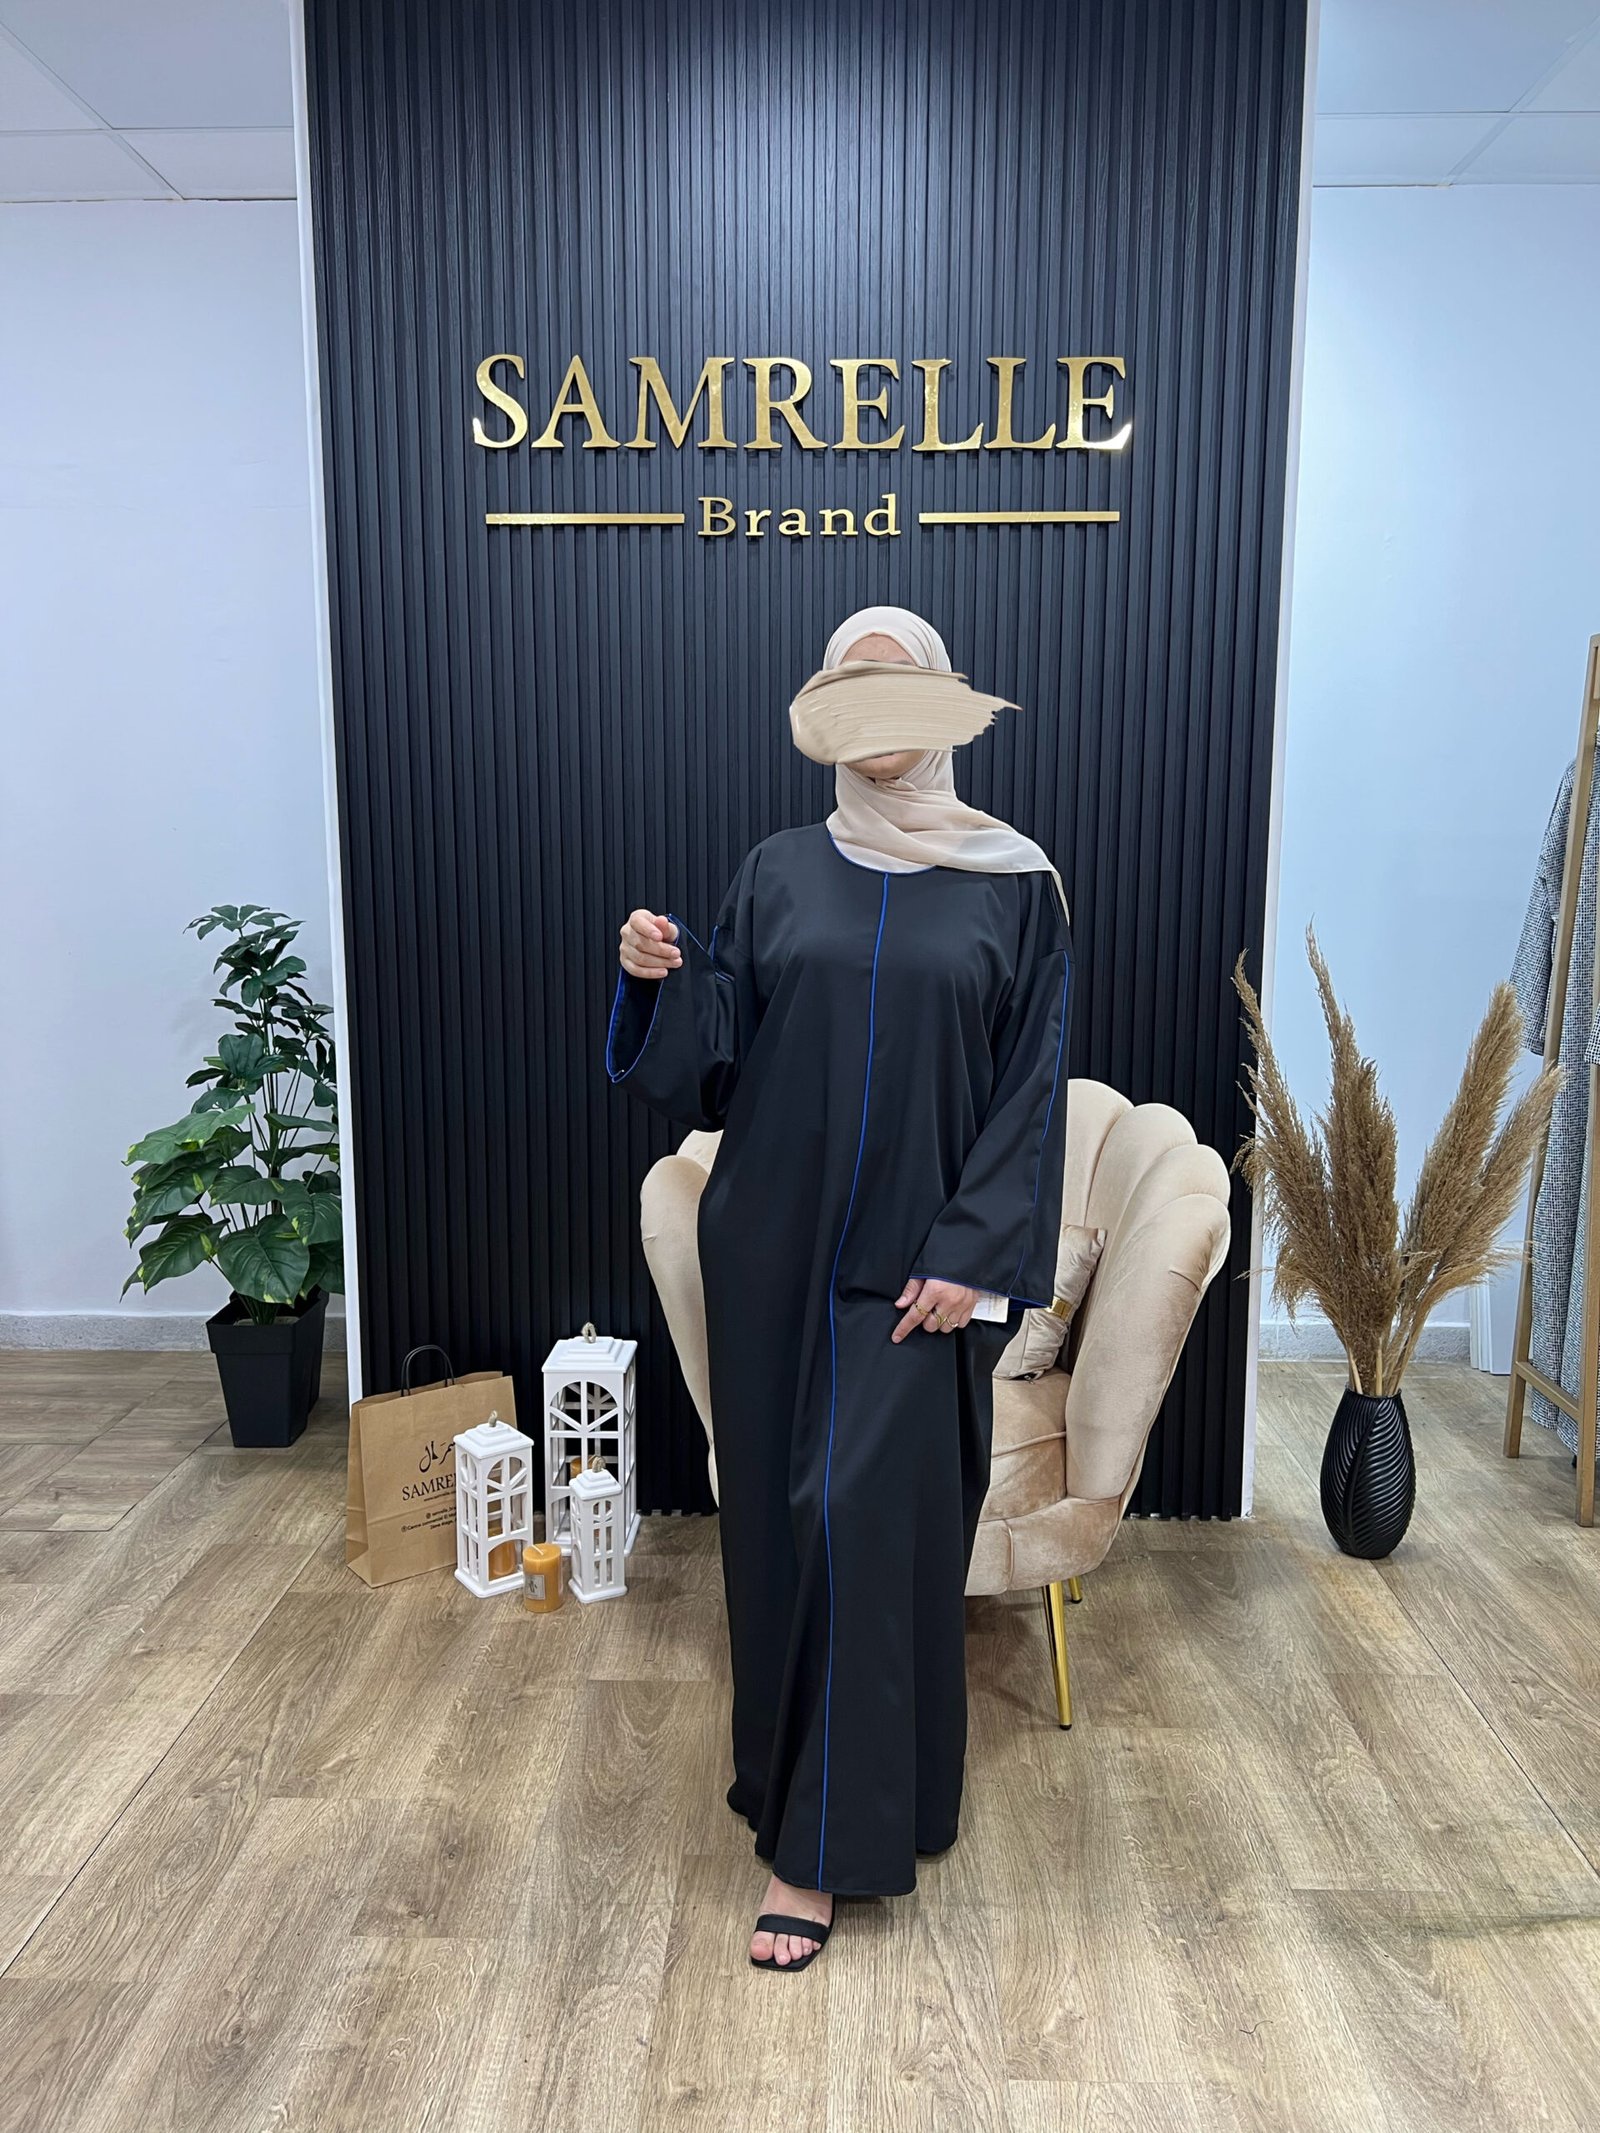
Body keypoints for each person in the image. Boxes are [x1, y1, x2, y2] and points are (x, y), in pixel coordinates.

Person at [605, 603, 1073, 1972]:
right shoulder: (778, 872)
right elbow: (714, 1064)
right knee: (780, 1530)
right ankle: (847, 1796)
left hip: (917, 1273)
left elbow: (1032, 1087)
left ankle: (816, 1856)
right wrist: (656, 981)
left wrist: (975, 1256)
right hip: (772, 1251)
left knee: (861, 1521)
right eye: (850, 694)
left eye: (898, 691)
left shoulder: (1014, 884)